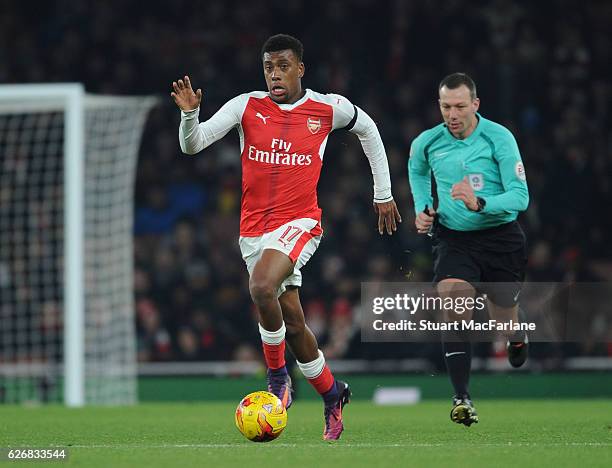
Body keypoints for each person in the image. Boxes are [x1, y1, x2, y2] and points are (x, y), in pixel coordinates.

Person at [171, 34, 401, 440]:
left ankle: (277, 378)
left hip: (299, 223)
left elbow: (370, 130)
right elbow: (194, 145)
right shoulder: (246, 106)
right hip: (253, 230)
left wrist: (382, 193)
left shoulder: (327, 107)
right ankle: (334, 394)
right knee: (293, 323)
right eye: (268, 67)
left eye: (282, 66)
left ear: (299, 69)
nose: (274, 74)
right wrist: (191, 115)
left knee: (261, 286)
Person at [408, 73, 529, 426]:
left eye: (460, 106)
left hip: (501, 237)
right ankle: (461, 397)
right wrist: (423, 206)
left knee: (503, 318)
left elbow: (520, 196)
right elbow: (416, 170)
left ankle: (517, 337)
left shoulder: (498, 138)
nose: (452, 114)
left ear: (475, 104)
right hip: (455, 239)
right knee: (454, 302)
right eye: (446, 106)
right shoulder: (428, 142)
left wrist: (480, 203)